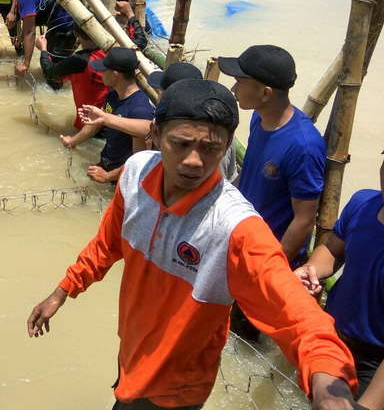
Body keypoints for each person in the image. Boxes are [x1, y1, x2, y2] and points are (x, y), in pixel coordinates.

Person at [26, 78, 359, 410]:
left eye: (210, 148)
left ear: (226, 147)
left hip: (177, 385)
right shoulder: (135, 173)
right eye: (181, 144)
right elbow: (107, 243)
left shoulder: (234, 226)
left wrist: (329, 382)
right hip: (132, 350)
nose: (194, 161)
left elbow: (294, 310)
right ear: (155, 133)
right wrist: (63, 290)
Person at [219, 44, 326, 342]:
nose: (234, 89)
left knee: (247, 335)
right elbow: (250, 174)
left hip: (268, 255)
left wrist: (269, 268)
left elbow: (304, 219)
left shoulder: (303, 146)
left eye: (240, 82)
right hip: (242, 243)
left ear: (265, 93)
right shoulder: (258, 118)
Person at [295, 154, 384, 403]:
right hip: (330, 336)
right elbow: (333, 250)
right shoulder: (363, 203)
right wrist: (311, 269)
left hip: (374, 363)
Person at [82, 61, 239, 183]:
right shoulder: (216, 130)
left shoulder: (207, 135)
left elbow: (145, 162)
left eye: (161, 91)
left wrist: (108, 176)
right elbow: (142, 160)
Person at [60, 47, 154, 183]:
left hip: (123, 177)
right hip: (107, 164)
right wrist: (72, 141)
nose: (101, 73)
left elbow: (138, 161)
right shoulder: (113, 94)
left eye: (104, 70)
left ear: (115, 75)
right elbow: (97, 123)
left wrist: (108, 176)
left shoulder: (139, 109)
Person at [36, 25, 109, 131]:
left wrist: (43, 49)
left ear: (75, 33)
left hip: (88, 125)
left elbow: (49, 72)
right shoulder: (111, 51)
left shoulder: (79, 61)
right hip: (110, 119)